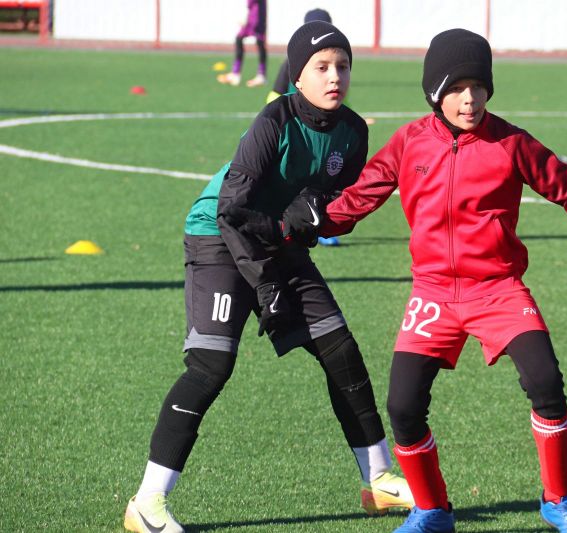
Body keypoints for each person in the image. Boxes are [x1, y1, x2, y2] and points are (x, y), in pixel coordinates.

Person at [281, 28, 567, 533]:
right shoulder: (409, 142)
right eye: (457, 88)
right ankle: (432, 510)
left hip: (499, 289)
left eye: (479, 87)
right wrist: (313, 221)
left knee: (545, 382)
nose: (470, 99)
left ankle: (559, 500)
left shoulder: (511, 143)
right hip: (434, 293)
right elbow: (360, 198)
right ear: (434, 92)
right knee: (403, 406)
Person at [124, 21, 413, 533]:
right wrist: (266, 282)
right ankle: (146, 503)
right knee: (211, 365)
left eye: (343, 66)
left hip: (275, 239)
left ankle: (379, 480)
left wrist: (317, 211)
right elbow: (232, 211)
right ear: (297, 76)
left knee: (340, 348)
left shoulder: (353, 131)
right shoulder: (273, 121)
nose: (335, 76)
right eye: (321, 67)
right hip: (219, 235)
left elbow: (336, 206)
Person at [265, 7, 342, 247]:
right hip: (294, 130)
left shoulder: (333, 64)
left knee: (323, 182)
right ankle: (283, 224)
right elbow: (273, 96)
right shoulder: (292, 62)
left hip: (321, 133)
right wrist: (274, 121)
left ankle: (321, 227)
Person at [217, 0, 268, 88]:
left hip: (256, 15)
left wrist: (246, 16)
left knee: (256, 41)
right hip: (255, 13)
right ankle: (240, 73)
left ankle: (258, 75)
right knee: (254, 41)